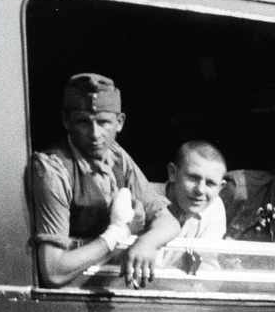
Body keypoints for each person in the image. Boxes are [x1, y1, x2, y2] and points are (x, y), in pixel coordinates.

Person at [27, 73, 179, 289]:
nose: (95, 134)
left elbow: (168, 222)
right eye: (83, 122)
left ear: (119, 123)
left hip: (105, 286)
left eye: (103, 122)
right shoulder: (53, 170)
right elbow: (54, 271)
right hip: (67, 293)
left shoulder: (117, 157)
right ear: (66, 121)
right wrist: (120, 232)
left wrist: (147, 243)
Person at [162, 141, 228, 241]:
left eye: (210, 183)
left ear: (220, 188)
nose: (200, 190)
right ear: (173, 173)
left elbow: (206, 256)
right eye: (193, 177)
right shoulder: (144, 198)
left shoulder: (214, 207)